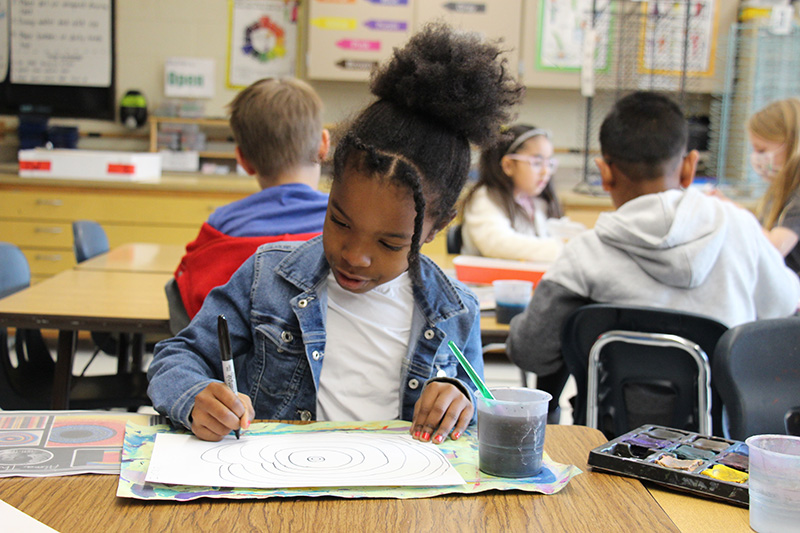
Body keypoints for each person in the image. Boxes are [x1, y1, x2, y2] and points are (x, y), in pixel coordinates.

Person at [148, 22, 525, 443]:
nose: (355, 255)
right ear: (329, 191)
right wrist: (195, 395)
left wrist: (458, 398)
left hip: (393, 498)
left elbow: (477, 399)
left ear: (437, 228)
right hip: (282, 486)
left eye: (389, 242)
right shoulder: (267, 279)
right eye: (340, 222)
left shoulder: (456, 311)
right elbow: (174, 357)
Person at [506, 91, 800, 424]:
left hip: (610, 450)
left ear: (604, 172)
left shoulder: (583, 254)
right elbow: (784, 307)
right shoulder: (741, 228)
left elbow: (531, 354)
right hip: (723, 454)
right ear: (689, 166)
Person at [172, 77, 331, 320]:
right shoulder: (348, 223)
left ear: (243, 160)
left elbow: (192, 297)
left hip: (237, 355)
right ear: (323, 145)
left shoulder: (221, 225)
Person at [460, 124, 572, 261]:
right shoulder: (486, 198)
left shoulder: (537, 201)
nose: (546, 171)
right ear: (508, 165)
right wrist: (561, 248)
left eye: (549, 163)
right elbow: (498, 244)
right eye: (537, 162)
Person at [745, 98, 800, 275]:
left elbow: (774, 249)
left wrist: (736, 215)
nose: (756, 158)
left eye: (762, 150)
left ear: (792, 145)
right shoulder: (781, 192)